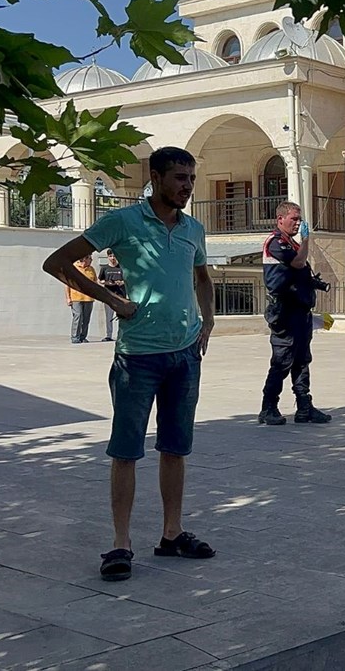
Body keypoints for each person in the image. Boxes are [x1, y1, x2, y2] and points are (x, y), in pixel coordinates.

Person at [41, 146, 216, 582]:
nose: (187, 186)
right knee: (126, 451)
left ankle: (171, 534)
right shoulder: (123, 222)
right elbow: (57, 261)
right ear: (155, 178)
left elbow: (201, 276)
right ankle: (121, 543)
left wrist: (207, 322)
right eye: (178, 177)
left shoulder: (193, 228)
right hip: (137, 358)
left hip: (184, 356)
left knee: (176, 448)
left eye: (191, 178)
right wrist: (112, 299)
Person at [258, 201, 331, 426]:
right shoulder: (276, 242)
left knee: (301, 361)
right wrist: (307, 241)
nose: (298, 223)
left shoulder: (289, 242)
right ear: (280, 219)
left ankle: (304, 407)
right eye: (294, 219)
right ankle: (268, 408)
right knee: (282, 361)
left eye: (299, 219)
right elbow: (298, 263)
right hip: (285, 314)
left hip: (300, 312)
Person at [66, 255, 97, 343]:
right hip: (76, 297)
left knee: (86, 319)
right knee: (78, 316)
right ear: (84, 259)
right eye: (89, 258)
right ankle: (75, 337)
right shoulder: (73, 268)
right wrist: (68, 298)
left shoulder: (91, 269)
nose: (91, 260)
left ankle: (83, 337)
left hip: (89, 298)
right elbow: (67, 284)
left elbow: (95, 283)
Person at [97, 249, 127, 342]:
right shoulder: (105, 268)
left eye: (114, 256)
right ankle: (108, 335)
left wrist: (121, 282)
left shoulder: (121, 267)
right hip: (109, 296)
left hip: (120, 295)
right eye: (110, 256)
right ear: (108, 257)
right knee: (109, 317)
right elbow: (99, 280)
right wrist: (106, 282)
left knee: (121, 317)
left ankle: (121, 335)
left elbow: (128, 280)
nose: (112, 258)